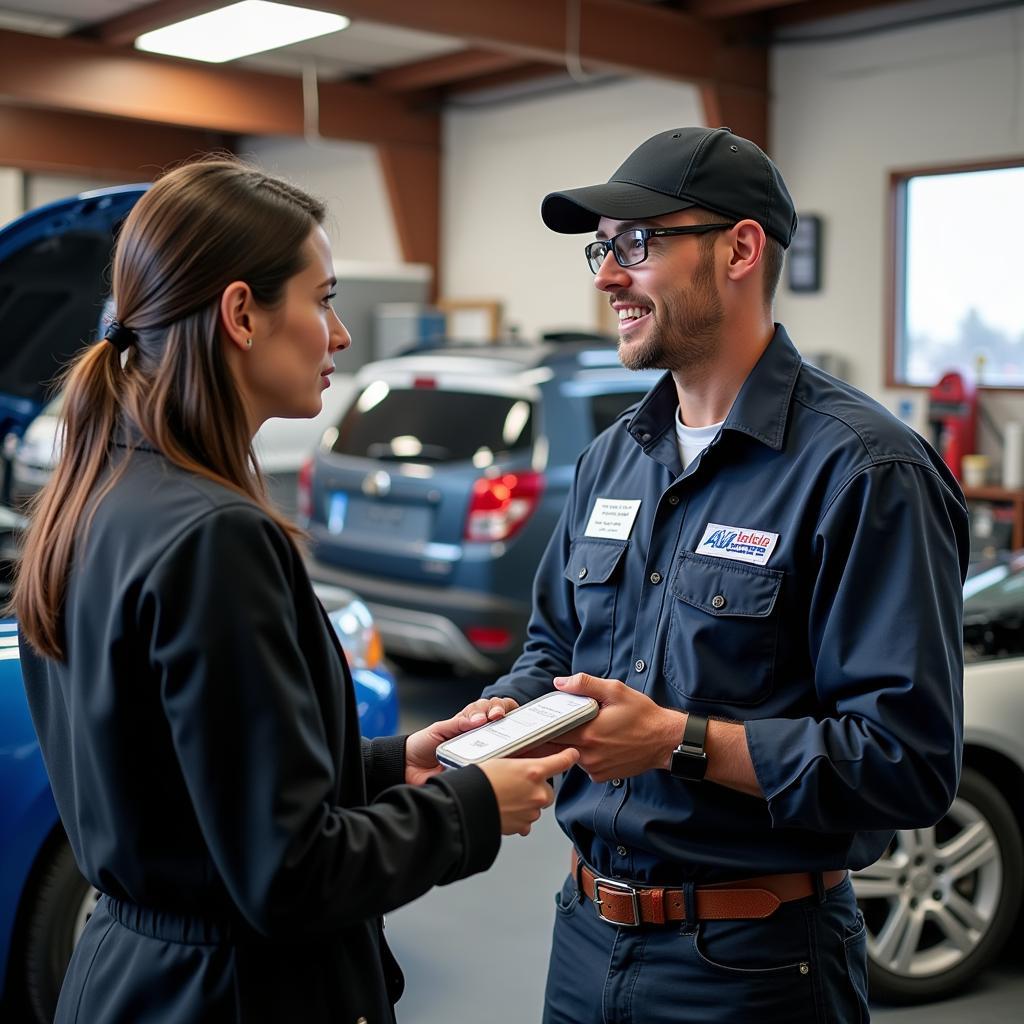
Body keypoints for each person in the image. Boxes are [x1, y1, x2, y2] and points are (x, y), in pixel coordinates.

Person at [13, 157, 578, 1024]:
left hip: (134, 981)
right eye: (322, 299)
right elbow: (287, 876)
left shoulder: (101, 491)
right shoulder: (214, 538)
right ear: (242, 313)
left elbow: (199, 794)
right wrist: (472, 806)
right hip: (236, 996)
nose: (341, 334)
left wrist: (404, 764)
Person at [461, 126, 969, 1023]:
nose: (606, 276)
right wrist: (506, 716)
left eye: (639, 244)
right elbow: (553, 646)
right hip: (584, 934)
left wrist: (676, 741)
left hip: (754, 969)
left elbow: (905, 765)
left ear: (740, 248)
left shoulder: (864, 471)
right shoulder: (614, 458)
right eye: (602, 247)